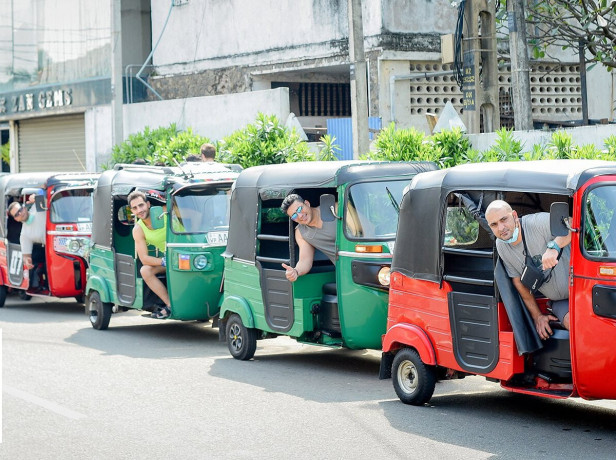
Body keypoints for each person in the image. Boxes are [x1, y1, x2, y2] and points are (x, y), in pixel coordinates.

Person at [485, 200, 571, 339]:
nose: (501, 228)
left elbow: (571, 224)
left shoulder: (537, 222)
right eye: (494, 224)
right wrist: (537, 316)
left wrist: (554, 247)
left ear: (514, 215)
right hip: (560, 301)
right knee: (573, 324)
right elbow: (518, 282)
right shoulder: (501, 246)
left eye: (504, 219)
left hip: (582, 289)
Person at [128, 190, 171, 319]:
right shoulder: (138, 229)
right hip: (169, 259)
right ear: (132, 211)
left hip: (188, 253)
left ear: (148, 204)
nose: (139, 210)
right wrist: (164, 261)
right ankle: (170, 305)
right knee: (145, 270)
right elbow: (144, 258)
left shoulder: (165, 211)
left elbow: (192, 215)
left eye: (141, 205)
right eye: (135, 208)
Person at [280, 193, 336, 282]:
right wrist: (296, 271)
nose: (300, 216)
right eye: (294, 216)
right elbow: (305, 260)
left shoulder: (333, 208)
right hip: (344, 268)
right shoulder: (300, 232)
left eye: (299, 209)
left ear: (307, 203)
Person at [8, 196, 47, 288]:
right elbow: (26, 255)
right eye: (17, 214)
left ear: (24, 208)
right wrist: (27, 261)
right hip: (51, 251)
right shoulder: (24, 234)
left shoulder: (37, 209)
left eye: (20, 210)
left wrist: (35, 197)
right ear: (16, 219)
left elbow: (44, 194)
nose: (20, 213)